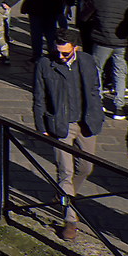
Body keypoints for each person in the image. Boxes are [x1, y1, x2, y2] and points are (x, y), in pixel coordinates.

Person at [30, 26, 104, 242]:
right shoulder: (45, 64)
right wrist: (40, 125)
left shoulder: (88, 61)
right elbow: (39, 96)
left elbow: (94, 89)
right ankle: (70, 219)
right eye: (58, 52)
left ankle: (65, 195)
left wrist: (98, 113)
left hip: (86, 122)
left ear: (76, 48)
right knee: (65, 172)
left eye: (66, 53)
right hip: (61, 123)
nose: (60, 56)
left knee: (86, 167)